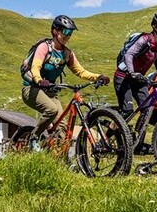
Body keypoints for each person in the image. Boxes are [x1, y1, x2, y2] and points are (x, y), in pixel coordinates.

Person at [21, 15, 110, 150]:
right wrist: (39, 80)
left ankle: (56, 157)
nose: (68, 36)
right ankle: (34, 137)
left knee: (62, 126)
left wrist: (98, 77)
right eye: (65, 32)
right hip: (32, 88)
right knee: (51, 110)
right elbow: (36, 67)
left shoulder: (67, 53)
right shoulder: (44, 47)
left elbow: (80, 71)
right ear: (55, 31)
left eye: (70, 33)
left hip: (49, 91)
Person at [114, 11, 157, 120]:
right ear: (156, 26)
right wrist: (132, 72)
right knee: (127, 111)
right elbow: (129, 54)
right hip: (123, 77)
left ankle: (137, 135)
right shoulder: (144, 39)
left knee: (148, 109)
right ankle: (106, 136)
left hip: (138, 79)